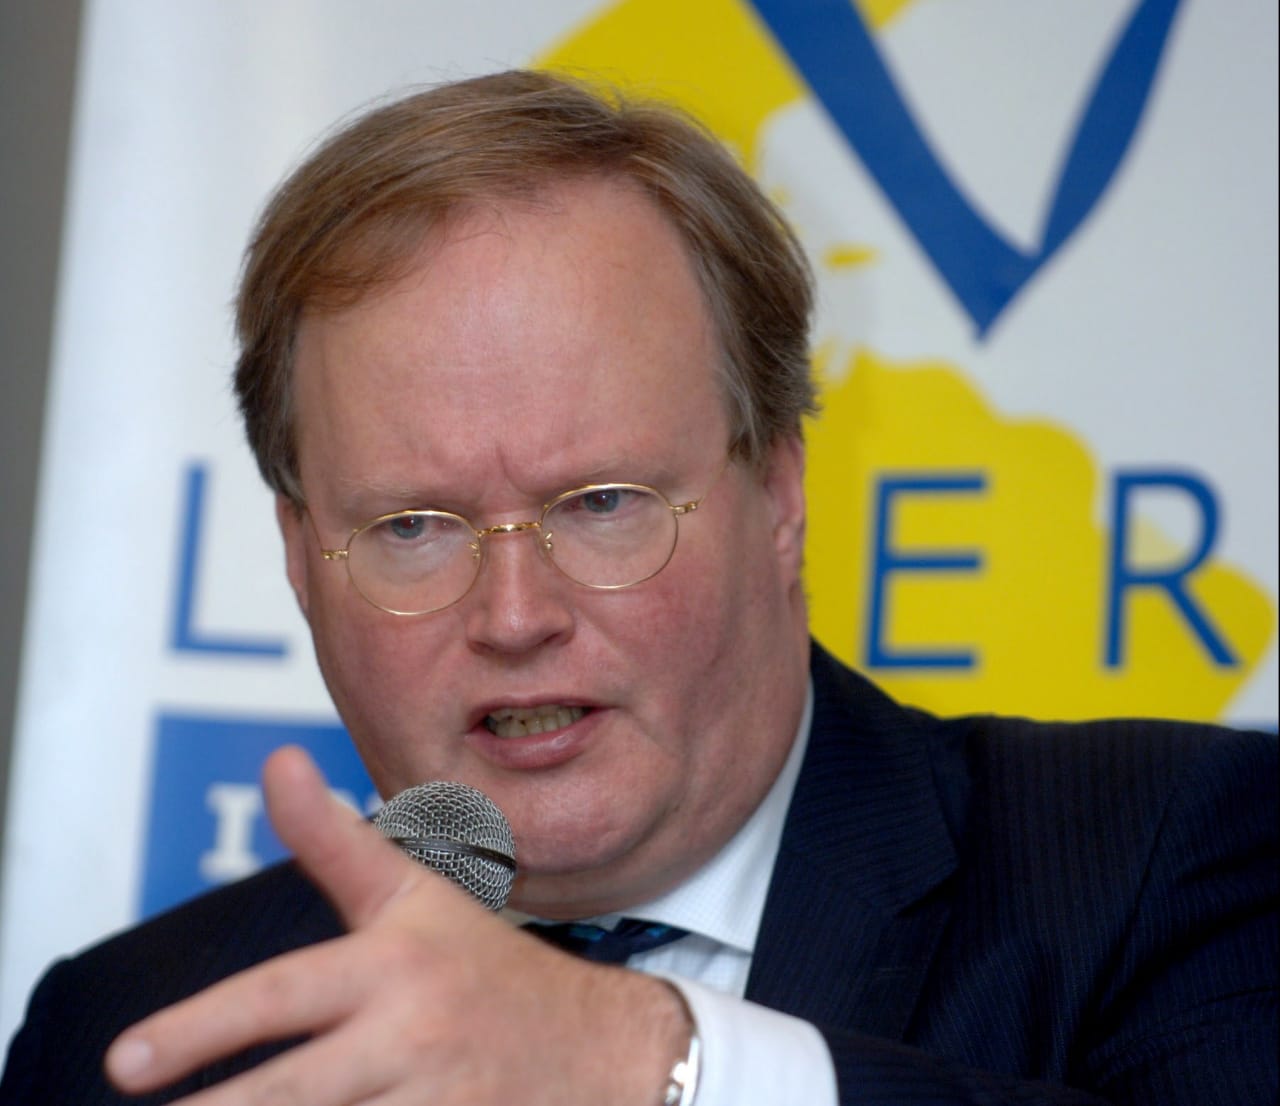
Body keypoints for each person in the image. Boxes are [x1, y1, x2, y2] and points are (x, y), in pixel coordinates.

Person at [1, 68, 1276, 1106]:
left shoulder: (1164, 858)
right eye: (413, 525)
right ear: (297, 553)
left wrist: (636, 1060)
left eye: (600, 502)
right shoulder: (130, 1030)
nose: (513, 616)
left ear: (776, 491)